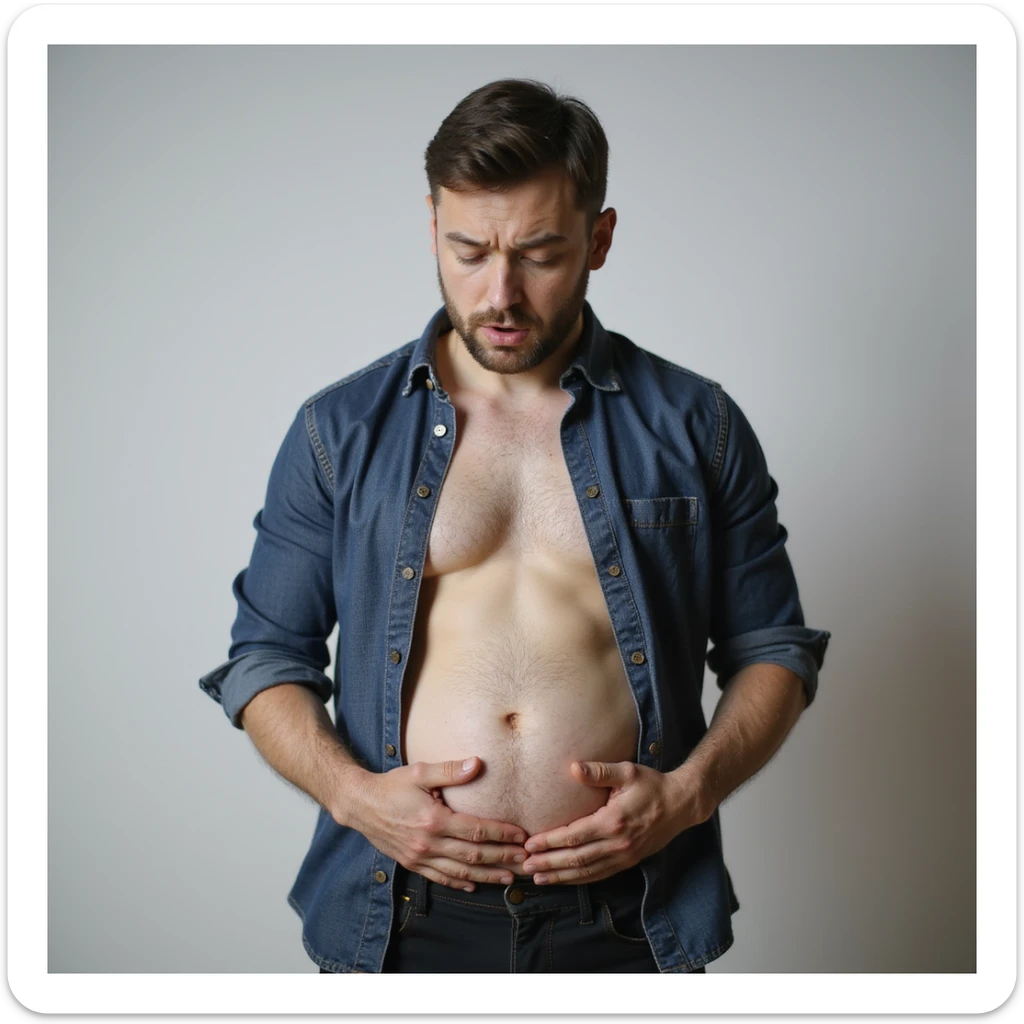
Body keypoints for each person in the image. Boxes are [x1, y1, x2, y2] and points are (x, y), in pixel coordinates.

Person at [198, 78, 831, 974]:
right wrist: (356, 799)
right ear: (432, 228)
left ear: (599, 240)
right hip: (403, 912)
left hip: (627, 912)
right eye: (467, 251)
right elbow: (265, 656)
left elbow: (773, 649)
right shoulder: (338, 432)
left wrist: (686, 797)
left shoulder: (698, 425)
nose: (500, 293)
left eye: (538, 254)